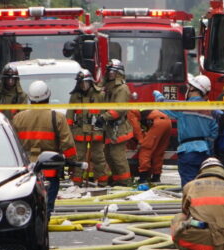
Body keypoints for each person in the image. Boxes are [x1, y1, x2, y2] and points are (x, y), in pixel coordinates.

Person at [12, 80, 79, 213]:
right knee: (47, 209)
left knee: (27, 207)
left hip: (26, 169)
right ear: (48, 97)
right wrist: (72, 165)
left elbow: (12, 145)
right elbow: (68, 145)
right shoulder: (57, 117)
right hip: (50, 169)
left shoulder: (18, 118)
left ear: (29, 98)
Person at [152, 74, 218, 186]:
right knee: (202, 186)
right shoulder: (209, 110)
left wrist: (159, 98)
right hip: (205, 153)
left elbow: (164, 106)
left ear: (192, 88)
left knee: (189, 187)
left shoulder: (184, 106)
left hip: (187, 151)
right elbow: (214, 133)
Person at [66, 69, 108, 187]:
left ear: (90, 82)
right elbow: (69, 115)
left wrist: (103, 123)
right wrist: (68, 132)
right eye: (81, 83)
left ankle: (103, 182)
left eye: (85, 82)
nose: (83, 85)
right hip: (79, 132)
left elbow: (106, 112)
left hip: (96, 131)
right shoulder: (74, 96)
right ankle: (76, 183)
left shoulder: (100, 95)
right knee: (79, 158)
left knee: (98, 157)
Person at [101, 59, 134, 187]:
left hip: (118, 128)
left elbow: (119, 109)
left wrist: (104, 117)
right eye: (109, 71)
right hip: (110, 128)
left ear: (119, 73)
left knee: (117, 157)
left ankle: (126, 183)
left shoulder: (122, 88)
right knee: (109, 155)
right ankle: (117, 180)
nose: (110, 74)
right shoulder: (108, 87)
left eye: (113, 72)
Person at [137, 108, 173, 185]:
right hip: (168, 122)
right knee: (159, 151)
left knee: (145, 149)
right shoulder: (142, 108)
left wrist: (141, 141)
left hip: (157, 122)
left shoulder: (130, 111)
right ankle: (156, 177)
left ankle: (143, 177)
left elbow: (136, 128)